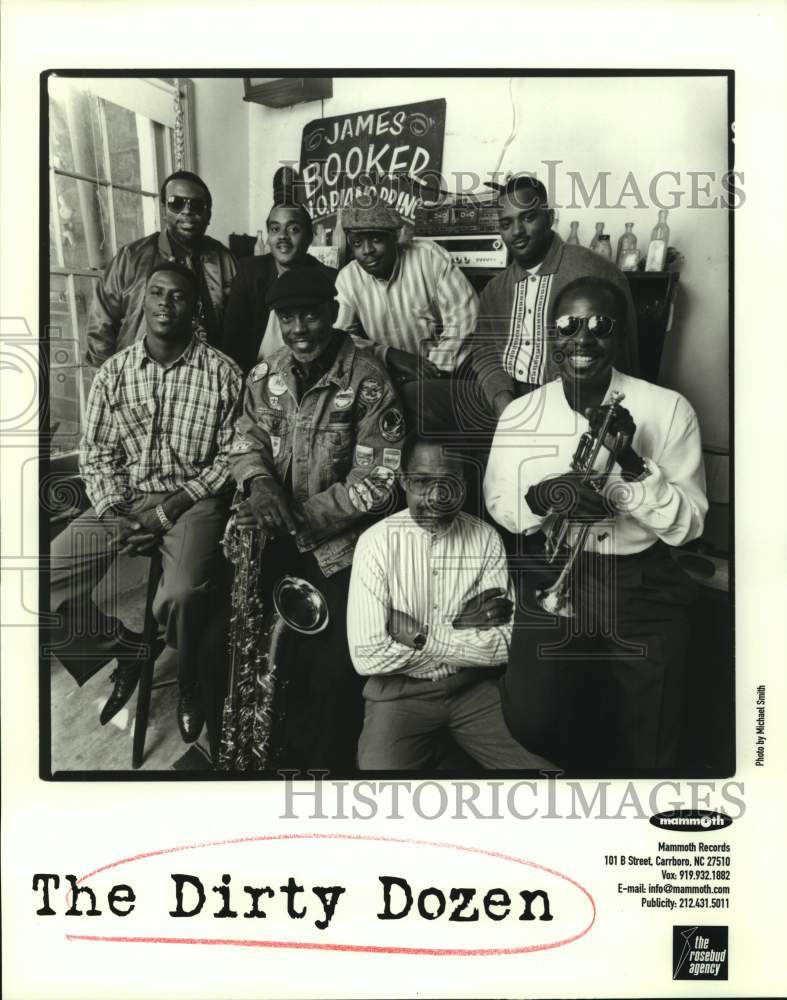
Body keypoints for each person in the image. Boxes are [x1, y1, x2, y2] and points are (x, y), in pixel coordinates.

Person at [484, 275, 707, 770]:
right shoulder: (520, 413)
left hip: (641, 585)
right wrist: (545, 495)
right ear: (552, 336)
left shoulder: (669, 409)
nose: (582, 338)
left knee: (652, 743)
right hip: (555, 570)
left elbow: (688, 527)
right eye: (568, 325)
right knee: (533, 721)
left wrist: (631, 464)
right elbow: (499, 502)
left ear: (620, 336)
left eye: (600, 325)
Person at [50, 262, 243, 748]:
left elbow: (230, 459)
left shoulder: (222, 373)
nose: (165, 303)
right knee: (37, 577)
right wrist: (114, 514)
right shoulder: (114, 373)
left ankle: (188, 675)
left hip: (193, 499)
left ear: (194, 308)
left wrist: (166, 511)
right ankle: (129, 647)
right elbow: (97, 454)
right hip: (125, 498)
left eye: (177, 296)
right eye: (157, 293)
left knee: (179, 595)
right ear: (143, 300)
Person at [228, 267, 405, 771]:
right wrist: (260, 484)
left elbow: (377, 481)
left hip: (339, 551)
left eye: (309, 315)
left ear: (332, 312)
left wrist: (297, 517)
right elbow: (244, 440)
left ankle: (321, 772)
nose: (299, 328)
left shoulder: (369, 381)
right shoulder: (265, 374)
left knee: (328, 671)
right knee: (229, 646)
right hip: (271, 538)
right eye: (287, 318)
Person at [347, 437, 555, 771]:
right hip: (398, 696)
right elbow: (367, 656)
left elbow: (505, 646)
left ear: (464, 485)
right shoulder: (375, 544)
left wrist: (422, 636)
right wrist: (461, 627)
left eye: (449, 484)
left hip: (472, 690)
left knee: (547, 780)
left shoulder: (486, 539)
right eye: (422, 482)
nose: (436, 498)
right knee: (379, 790)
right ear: (403, 482)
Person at [470, 174, 640, 420]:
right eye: (506, 223)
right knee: (421, 399)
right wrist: (502, 402)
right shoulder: (495, 289)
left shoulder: (598, 273)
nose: (517, 231)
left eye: (528, 218)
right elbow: (484, 350)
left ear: (549, 218)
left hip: (571, 405)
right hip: (505, 398)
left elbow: (623, 359)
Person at [86, 170, 236, 367]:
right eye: (176, 203)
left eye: (197, 205)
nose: (187, 211)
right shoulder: (130, 258)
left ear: (208, 215)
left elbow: (238, 327)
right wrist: (112, 379)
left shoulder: (224, 259)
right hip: (139, 376)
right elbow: (100, 330)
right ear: (164, 210)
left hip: (206, 377)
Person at [335, 198, 479, 382]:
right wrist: (389, 355)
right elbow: (340, 339)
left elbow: (465, 319)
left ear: (395, 236)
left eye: (376, 239)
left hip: (446, 375)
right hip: (386, 378)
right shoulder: (347, 279)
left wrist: (432, 369)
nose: (367, 250)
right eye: (357, 243)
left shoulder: (429, 257)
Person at [223, 202, 337, 373]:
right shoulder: (250, 272)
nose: (283, 236)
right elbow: (232, 340)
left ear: (309, 237)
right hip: (255, 374)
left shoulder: (328, 278)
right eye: (275, 229)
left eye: (293, 229)